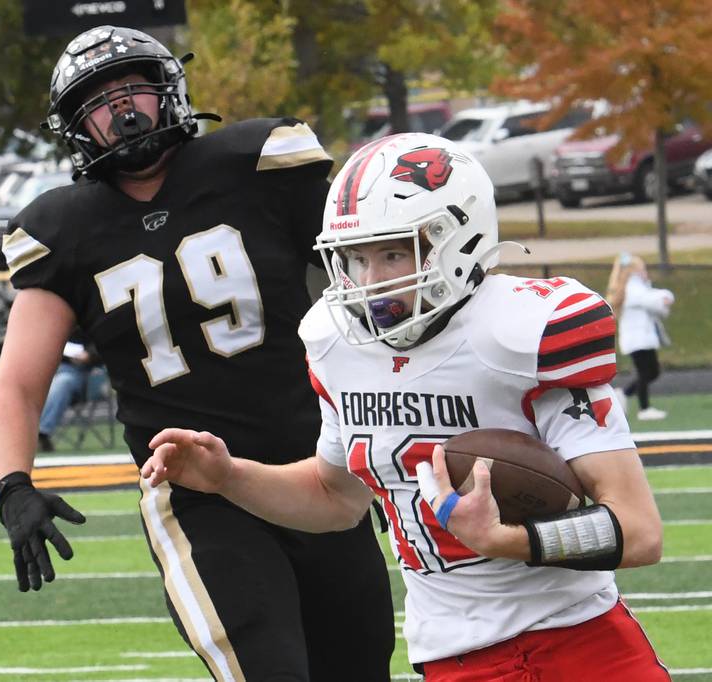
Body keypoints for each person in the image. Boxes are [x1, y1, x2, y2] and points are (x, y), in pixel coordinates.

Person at [143, 133, 669, 680]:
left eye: (393, 253)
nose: (371, 282)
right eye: (356, 258)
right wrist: (230, 476)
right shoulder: (337, 343)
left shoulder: (525, 332)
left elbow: (639, 530)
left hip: (579, 643)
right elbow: (333, 496)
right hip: (450, 658)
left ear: (459, 239)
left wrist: (502, 540)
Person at [0, 25, 394, 682]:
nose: (121, 110)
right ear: (75, 125)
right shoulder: (62, 228)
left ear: (166, 89)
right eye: (99, 100)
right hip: (197, 496)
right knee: (269, 669)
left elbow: (369, 276)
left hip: (316, 471)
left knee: (358, 666)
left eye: (132, 88)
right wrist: (13, 486)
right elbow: (19, 385)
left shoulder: (258, 162)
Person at [606, 252, 674, 420]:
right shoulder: (633, 288)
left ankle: (624, 393)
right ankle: (644, 408)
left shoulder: (636, 288)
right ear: (634, 272)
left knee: (652, 372)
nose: (646, 272)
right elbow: (651, 300)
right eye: (643, 269)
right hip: (638, 340)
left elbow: (654, 302)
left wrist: (664, 298)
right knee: (647, 372)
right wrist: (666, 296)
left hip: (640, 339)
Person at [37, 332, 104, 452]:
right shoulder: (49, 322)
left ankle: (41, 433)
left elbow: (103, 348)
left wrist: (89, 355)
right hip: (49, 370)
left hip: (81, 373)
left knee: (63, 382)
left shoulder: (87, 321)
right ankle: (23, 432)